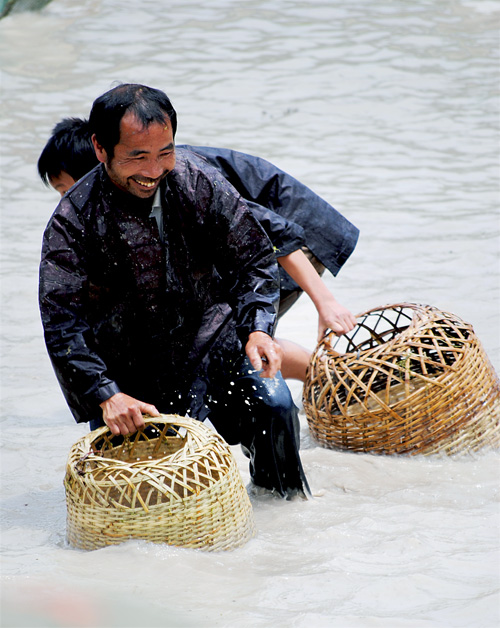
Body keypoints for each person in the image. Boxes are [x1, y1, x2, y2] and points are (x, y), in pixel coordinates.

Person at [39, 83, 312, 499]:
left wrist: (258, 328)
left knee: (275, 406)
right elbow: (61, 323)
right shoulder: (73, 220)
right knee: (134, 497)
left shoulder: (197, 178)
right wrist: (105, 394)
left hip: (211, 344)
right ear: (100, 148)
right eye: (137, 157)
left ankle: (283, 512)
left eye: (164, 152)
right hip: (129, 376)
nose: (153, 170)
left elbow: (254, 258)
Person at [38, 118, 359, 381]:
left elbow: (274, 234)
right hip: (270, 239)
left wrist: (325, 303)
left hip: (296, 235)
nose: (68, 204)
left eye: (68, 191)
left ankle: (335, 381)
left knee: (228, 339)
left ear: (99, 165)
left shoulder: (174, 180)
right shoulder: (132, 187)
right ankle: (328, 378)